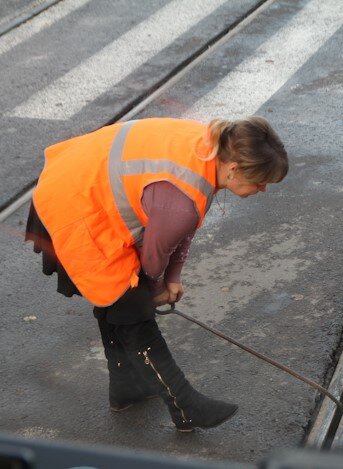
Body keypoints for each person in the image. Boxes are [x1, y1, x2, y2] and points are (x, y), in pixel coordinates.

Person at [25, 116, 288, 432]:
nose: (261, 189)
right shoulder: (182, 201)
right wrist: (158, 286)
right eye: (260, 182)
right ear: (233, 169)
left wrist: (172, 278)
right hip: (74, 206)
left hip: (76, 178)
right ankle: (185, 406)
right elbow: (154, 257)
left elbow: (180, 226)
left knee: (123, 302)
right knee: (131, 307)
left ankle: (126, 390)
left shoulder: (212, 149)